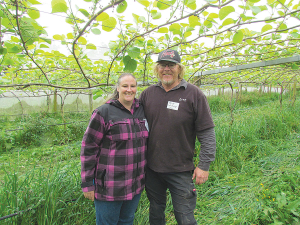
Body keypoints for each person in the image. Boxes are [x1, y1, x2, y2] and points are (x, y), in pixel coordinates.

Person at [139, 49, 216, 225]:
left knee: (185, 216)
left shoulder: (193, 94)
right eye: (163, 65)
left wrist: (204, 165)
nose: (167, 69)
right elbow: (128, 111)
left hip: (180, 169)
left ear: (179, 69)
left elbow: (207, 132)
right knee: (156, 211)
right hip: (152, 169)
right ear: (157, 69)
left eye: (171, 65)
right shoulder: (148, 94)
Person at [80, 73, 148, 225]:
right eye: (125, 86)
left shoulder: (142, 111)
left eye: (132, 86)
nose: (129, 89)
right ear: (118, 88)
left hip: (135, 184)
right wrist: (87, 183)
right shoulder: (103, 112)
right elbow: (89, 148)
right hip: (110, 185)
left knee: (127, 220)